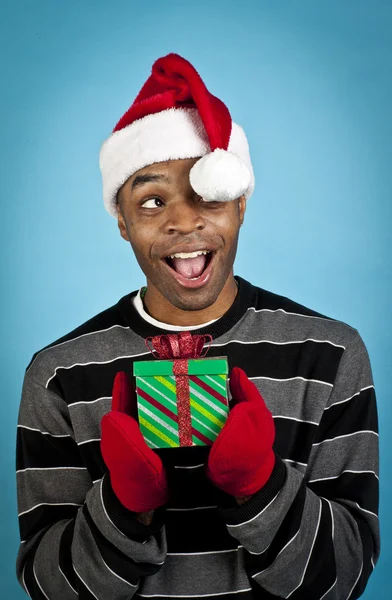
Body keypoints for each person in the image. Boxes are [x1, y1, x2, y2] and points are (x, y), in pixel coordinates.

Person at [16, 53, 380, 600]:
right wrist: (122, 507)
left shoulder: (329, 354)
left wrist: (262, 487)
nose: (184, 221)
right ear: (122, 222)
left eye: (207, 194)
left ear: (240, 205)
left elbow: (346, 578)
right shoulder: (57, 374)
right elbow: (48, 589)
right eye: (152, 199)